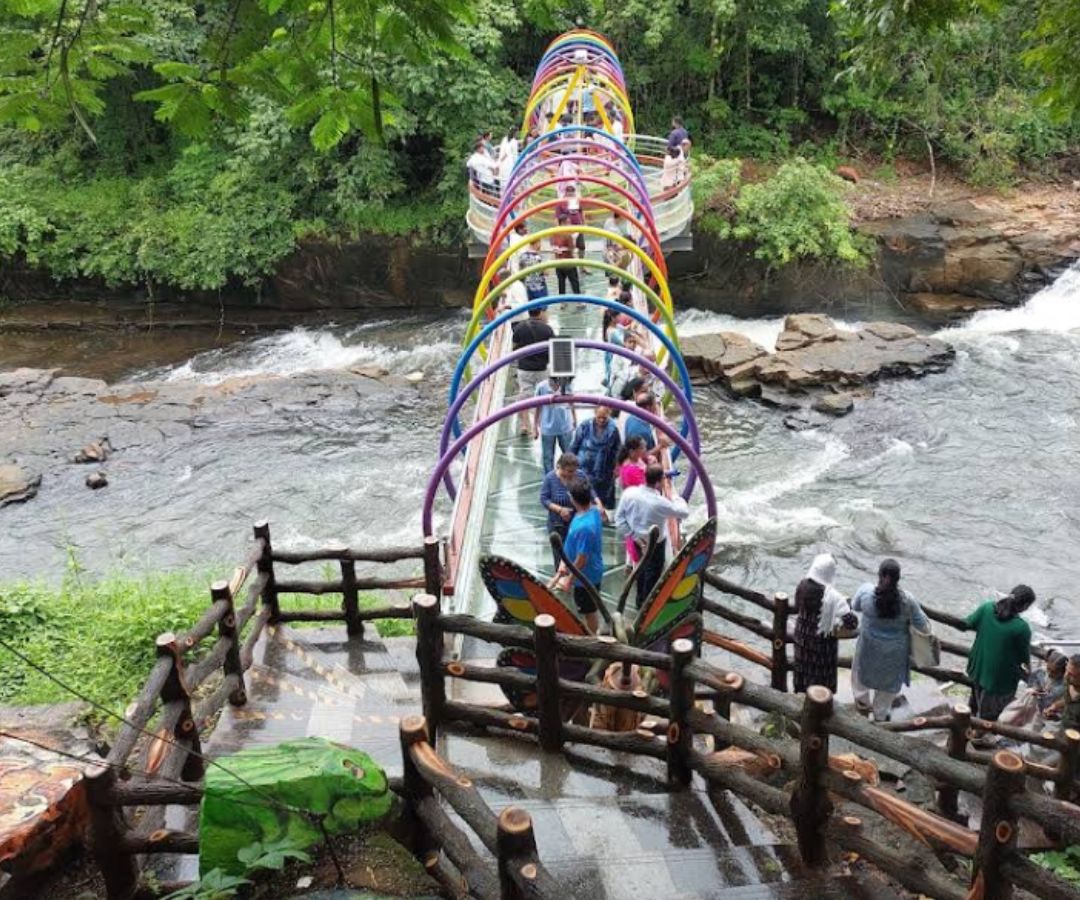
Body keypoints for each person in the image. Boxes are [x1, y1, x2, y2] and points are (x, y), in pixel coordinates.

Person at [850, 559, 929, 722]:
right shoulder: (908, 600)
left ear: (879, 575)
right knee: (886, 693)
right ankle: (880, 718)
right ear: (898, 578)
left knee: (860, 681)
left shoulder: (866, 592)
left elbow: (855, 606)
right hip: (894, 656)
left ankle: (862, 709)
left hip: (868, 649)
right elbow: (924, 627)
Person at [614, 464, 690, 607]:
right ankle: (646, 606)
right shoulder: (660, 503)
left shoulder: (629, 493)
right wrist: (675, 497)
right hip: (656, 544)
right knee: (652, 575)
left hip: (638, 540)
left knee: (640, 572)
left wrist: (634, 536)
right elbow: (684, 512)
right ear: (659, 481)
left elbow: (619, 519)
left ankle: (639, 601)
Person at [961, 586, 1036, 721]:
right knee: (990, 716)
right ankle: (979, 737)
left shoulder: (987, 608)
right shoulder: (1021, 628)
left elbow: (967, 623)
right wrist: (1030, 673)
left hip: (977, 669)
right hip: (1000, 681)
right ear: (1025, 606)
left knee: (975, 705)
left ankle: (968, 728)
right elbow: (1023, 657)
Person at [793, 554, 858, 694]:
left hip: (802, 639)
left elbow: (797, 605)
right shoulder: (834, 597)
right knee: (820, 681)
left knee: (803, 672)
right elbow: (852, 623)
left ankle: (801, 701)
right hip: (821, 646)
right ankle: (820, 707)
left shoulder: (802, 586)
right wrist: (848, 605)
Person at [549, 478, 604, 633]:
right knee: (587, 607)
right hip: (579, 569)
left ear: (573, 498)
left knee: (589, 611)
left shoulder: (585, 527)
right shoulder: (592, 511)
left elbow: (581, 559)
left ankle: (593, 637)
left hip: (586, 577)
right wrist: (563, 565)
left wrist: (569, 580)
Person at [539, 453, 601, 570]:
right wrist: (560, 510)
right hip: (558, 524)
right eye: (568, 471)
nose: (571, 474)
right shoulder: (550, 478)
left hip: (576, 522)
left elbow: (589, 490)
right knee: (560, 554)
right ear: (560, 467)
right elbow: (544, 499)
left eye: (574, 471)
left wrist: (598, 502)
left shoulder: (580, 475)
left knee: (576, 551)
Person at [511, 307, 554, 434]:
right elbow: (554, 347)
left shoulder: (519, 327)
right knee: (545, 395)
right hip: (542, 368)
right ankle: (544, 422)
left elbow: (514, 347)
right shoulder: (547, 329)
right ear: (540, 313)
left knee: (524, 395)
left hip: (524, 368)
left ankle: (525, 425)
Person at [570, 406, 621, 509]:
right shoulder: (585, 426)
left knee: (604, 494)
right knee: (584, 492)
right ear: (595, 414)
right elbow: (575, 444)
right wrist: (571, 462)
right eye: (599, 417)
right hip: (585, 466)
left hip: (605, 468)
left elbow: (618, 449)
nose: (601, 420)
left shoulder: (613, 430)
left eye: (604, 418)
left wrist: (617, 467)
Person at [533, 374, 576, 474]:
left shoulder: (567, 385)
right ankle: (549, 480)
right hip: (547, 428)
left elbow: (572, 402)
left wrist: (574, 419)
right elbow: (537, 407)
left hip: (565, 426)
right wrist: (535, 426)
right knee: (548, 458)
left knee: (569, 455)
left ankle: (570, 478)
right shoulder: (541, 387)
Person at [551, 212, 581, 296]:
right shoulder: (568, 235)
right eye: (568, 222)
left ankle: (562, 302)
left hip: (558, 263)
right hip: (568, 263)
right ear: (563, 223)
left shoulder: (554, 233)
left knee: (561, 283)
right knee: (574, 282)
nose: (570, 224)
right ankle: (579, 300)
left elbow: (554, 248)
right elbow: (572, 249)